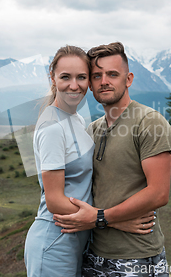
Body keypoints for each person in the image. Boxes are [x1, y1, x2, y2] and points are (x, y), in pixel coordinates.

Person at [24, 45, 156, 277]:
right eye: (66, 77)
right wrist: (111, 221)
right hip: (55, 240)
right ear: (52, 78)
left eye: (82, 77)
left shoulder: (74, 119)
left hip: (76, 240)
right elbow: (54, 201)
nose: (74, 85)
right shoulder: (52, 126)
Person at [53, 42, 171, 277]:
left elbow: (159, 193)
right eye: (96, 76)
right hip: (93, 254)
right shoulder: (92, 130)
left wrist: (100, 217)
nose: (104, 81)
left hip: (137, 257)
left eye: (112, 74)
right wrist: (106, 222)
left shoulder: (149, 122)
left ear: (128, 79)